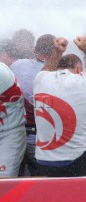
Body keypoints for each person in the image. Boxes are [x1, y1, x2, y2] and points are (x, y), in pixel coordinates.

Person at [33, 36, 86, 177]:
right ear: (79, 69)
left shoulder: (40, 79)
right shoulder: (81, 82)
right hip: (76, 160)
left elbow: (47, 69)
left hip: (44, 161)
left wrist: (57, 52)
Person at [10, 34, 55, 176]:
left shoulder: (17, 65)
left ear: (35, 50)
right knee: (43, 183)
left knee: (14, 185)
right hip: (41, 141)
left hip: (14, 136)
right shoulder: (57, 74)